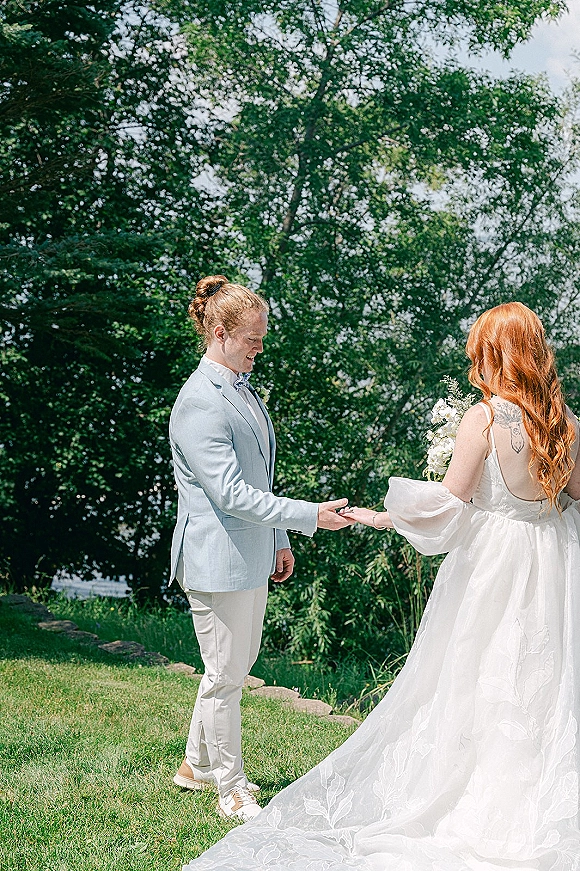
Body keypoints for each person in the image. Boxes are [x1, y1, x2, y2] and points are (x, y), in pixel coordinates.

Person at [181, 302, 580, 871]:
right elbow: (573, 502)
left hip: (492, 569)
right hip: (550, 573)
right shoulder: (567, 424)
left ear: (495, 354)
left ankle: (469, 798)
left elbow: (449, 504)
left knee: (473, 675)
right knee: (540, 684)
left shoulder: (485, 419)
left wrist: (384, 515)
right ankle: (531, 805)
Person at [169, 275, 353, 824]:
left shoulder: (241, 388)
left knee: (232, 666)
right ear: (220, 333)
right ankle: (230, 787)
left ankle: (194, 766)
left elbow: (260, 477)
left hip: (251, 551)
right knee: (227, 675)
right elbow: (227, 493)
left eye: (262, 337)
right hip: (214, 559)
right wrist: (308, 515)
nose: (260, 347)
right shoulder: (199, 400)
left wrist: (280, 537)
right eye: (252, 338)